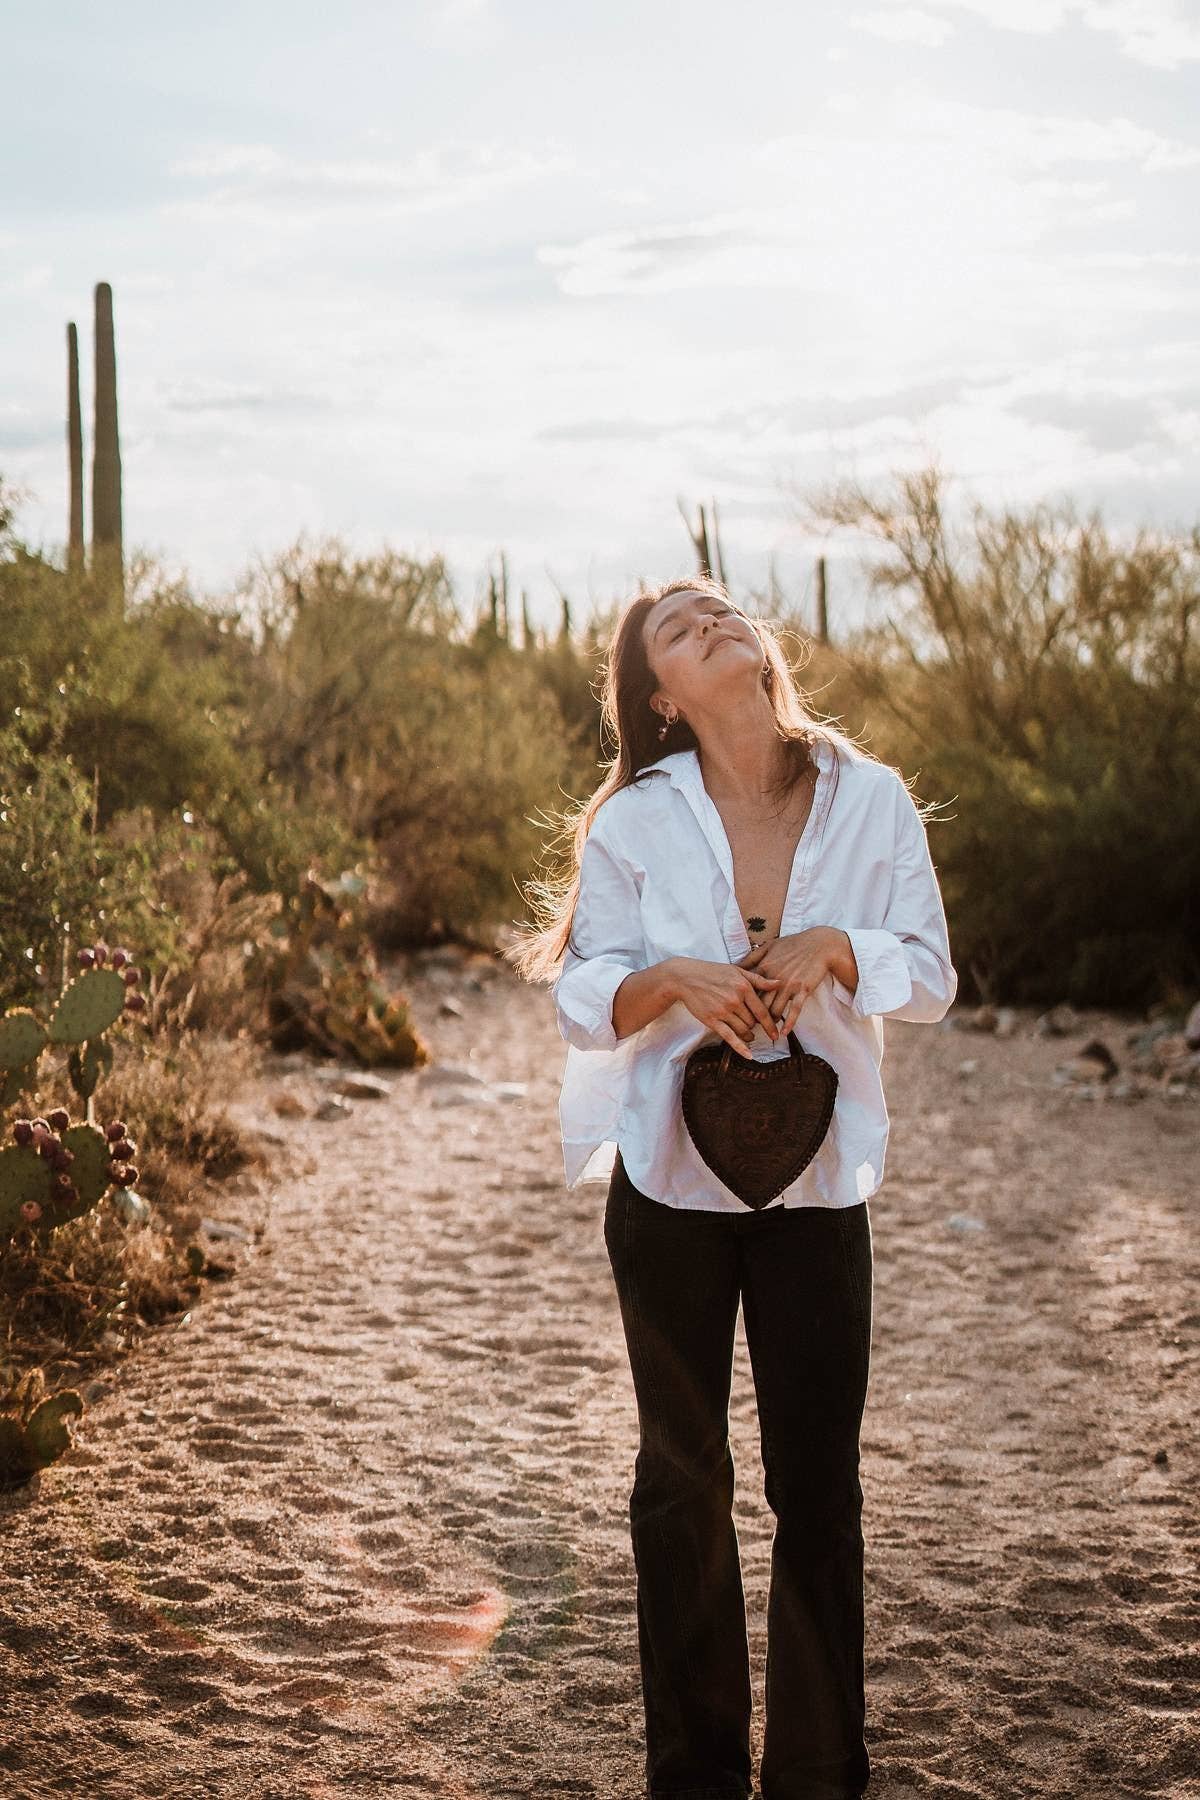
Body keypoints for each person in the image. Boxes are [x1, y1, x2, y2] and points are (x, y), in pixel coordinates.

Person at [510, 574, 958, 1800]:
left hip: (819, 1184)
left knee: (817, 1486)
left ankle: (817, 1774)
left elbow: (932, 976)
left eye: (718, 605)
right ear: (661, 695)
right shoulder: (635, 822)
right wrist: (678, 983)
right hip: (666, 1188)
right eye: (677, 625)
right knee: (680, 1483)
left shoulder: (872, 801)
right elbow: (582, 991)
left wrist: (843, 950)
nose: (712, 616)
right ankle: (694, 1777)